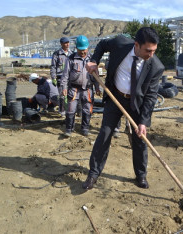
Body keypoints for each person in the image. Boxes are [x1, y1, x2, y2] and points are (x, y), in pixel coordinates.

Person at [82, 27, 164, 190]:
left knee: (139, 138)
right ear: (137, 45)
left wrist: (143, 122)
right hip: (115, 97)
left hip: (136, 103)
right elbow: (102, 45)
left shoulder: (156, 66)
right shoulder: (120, 44)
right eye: (148, 50)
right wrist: (94, 60)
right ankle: (93, 173)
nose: (151, 55)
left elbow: (151, 96)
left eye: (154, 51)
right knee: (105, 133)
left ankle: (141, 175)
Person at [60, 35, 100, 137]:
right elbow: (65, 75)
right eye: (80, 49)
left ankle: (85, 128)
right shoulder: (71, 59)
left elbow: (96, 76)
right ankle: (69, 128)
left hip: (88, 89)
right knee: (71, 109)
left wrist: (97, 87)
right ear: (76, 48)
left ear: (88, 47)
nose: (82, 52)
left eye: (84, 49)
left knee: (87, 109)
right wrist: (64, 87)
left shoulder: (92, 60)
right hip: (74, 89)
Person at [51, 37, 73, 117]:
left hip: (70, 78)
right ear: (61, 44)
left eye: (68, 43)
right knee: (62, 95)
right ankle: (62, 112)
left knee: (70, 95)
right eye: (65, 43)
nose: (67, 44)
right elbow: (53, 66)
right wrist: (53, 77)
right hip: (60, 77)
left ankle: (70, 111)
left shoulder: (71, 53)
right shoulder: (57, 54)